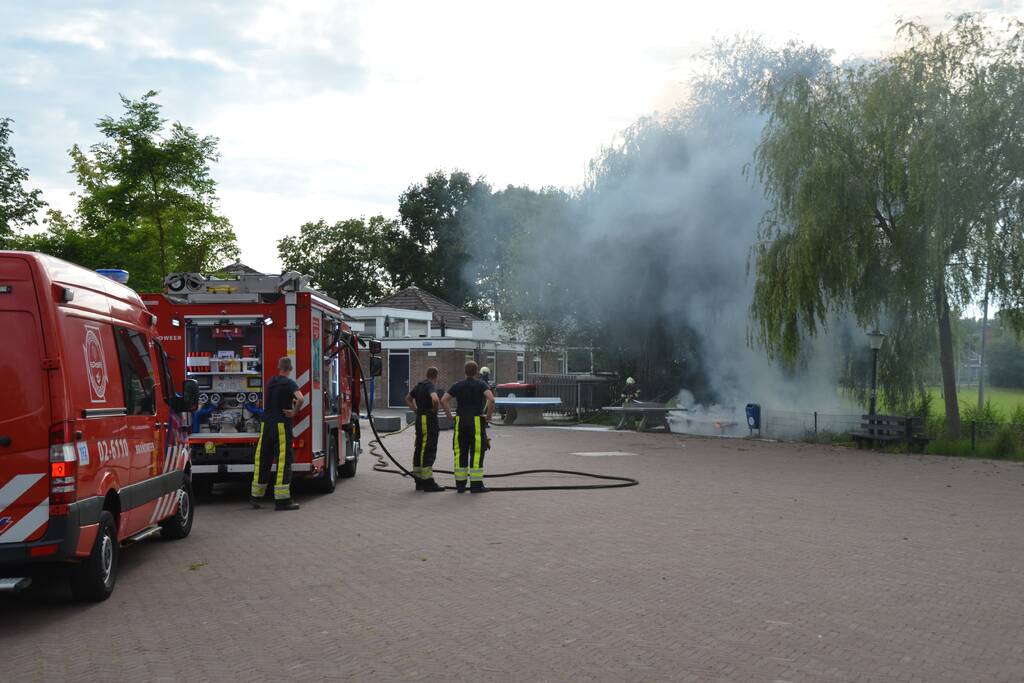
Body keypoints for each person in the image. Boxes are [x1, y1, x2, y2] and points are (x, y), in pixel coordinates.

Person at [250, 356, 303, 511]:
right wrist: (293, 412)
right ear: (290, 369)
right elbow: (300, 399)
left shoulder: (271, 382)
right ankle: (282, 500)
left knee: (262, 459)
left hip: (266, 424)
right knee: (283, 460)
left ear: (278, 367)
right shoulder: (289, 383)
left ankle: (256, 496)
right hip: (280, 424)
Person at [441, 361, 495, 493]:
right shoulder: (481, 384)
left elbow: (443, 400)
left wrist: (449, 416)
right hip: (476, 421)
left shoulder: (457, 385)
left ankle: (460, 485)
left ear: (464, 371)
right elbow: (491, 399)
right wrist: (488, 416)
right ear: (477, 372)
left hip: (460, 421)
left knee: (460, 452)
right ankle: (476, 485)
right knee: (476, 452)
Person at [404, 367, 445, 492]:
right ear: (436, 376)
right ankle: (428, 483)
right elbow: (435, 399)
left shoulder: (419, 385)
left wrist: (416, 409)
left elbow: (408, 398)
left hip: (420, 419)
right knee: (428, 448)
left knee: (419, 447)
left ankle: (419, 480)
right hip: (428, 420)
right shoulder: (430, 386)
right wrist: (434, 409)